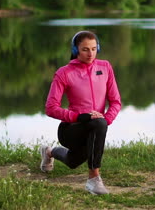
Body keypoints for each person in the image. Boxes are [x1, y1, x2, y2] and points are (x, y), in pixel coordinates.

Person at [40, 30, 122, 195]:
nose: (90, 53)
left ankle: (49, 151)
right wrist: (78, 116)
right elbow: (51, 107)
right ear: (76, 50)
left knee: (72, 161)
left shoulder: (105, 67)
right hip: (71, 129)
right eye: (85, 49)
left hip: (95, 129)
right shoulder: (64, 73)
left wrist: (106, 119)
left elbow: (115, 102)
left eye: (93, 48)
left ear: (97, 48)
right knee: (98, 124)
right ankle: (94, 180)